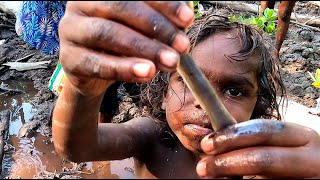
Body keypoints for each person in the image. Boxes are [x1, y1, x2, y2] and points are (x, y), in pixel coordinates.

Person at [52, 1, 320, 179]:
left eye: (235, 91)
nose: (205, 103)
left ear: (258, 104)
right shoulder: (151, 137)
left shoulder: (259, 163)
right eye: (188, 81)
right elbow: (76, 148)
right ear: (165, 92)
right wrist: (82, 87)